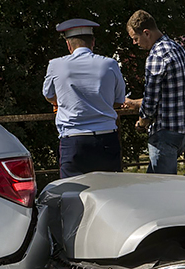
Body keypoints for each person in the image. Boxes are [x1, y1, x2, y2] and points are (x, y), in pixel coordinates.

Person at [43, 19, 127, 179]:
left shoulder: (55, 65)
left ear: (69, 45)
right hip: (106, 138)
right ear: (92, 42)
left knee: (72, 194)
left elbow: (49, 96)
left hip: (73, 141)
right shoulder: (110, 64)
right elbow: (118, 100)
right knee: (111, 191)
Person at [123, 10, 185, 175]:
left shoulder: (156, 55)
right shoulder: (177, 48)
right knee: (161, 184)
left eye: (135, 38)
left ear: (146, 33)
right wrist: (135, 103)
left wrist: (141, 123)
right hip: (183, 130)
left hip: (165, 133)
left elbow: (151, 101)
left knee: (161, 189)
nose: (135, 43)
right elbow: (171, 94)